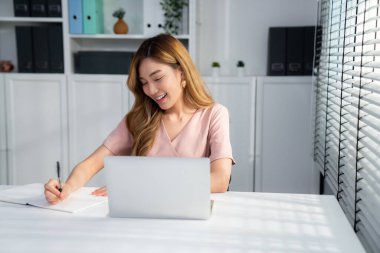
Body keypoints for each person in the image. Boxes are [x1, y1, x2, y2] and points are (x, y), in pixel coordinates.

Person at [44, 34, 234, 204]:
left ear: (182, 73)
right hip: (144, 218)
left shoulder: (214, 115)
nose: (151, 90)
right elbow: (91, 164)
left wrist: (141, 186)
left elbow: (220, 179)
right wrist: (66, 187)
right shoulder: (139, 119)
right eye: (144, 83)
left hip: (191, 219)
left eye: (158, 78)